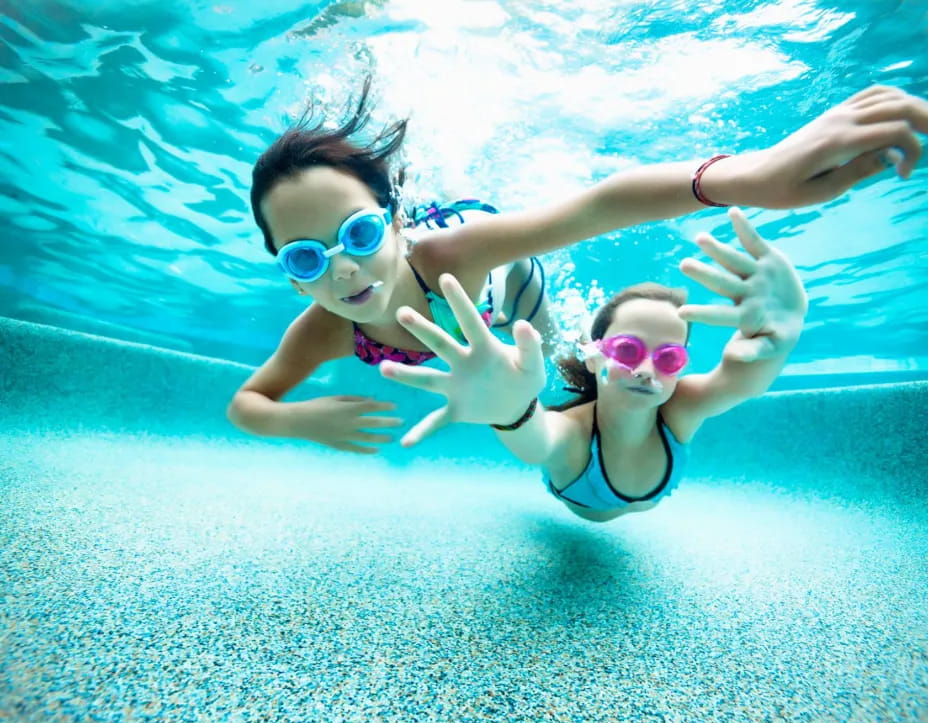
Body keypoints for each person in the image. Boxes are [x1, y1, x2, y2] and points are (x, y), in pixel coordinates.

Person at [227, 80, 928, 455]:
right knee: (519, 389)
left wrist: (750, 176)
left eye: (357, 232)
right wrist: (301, 421)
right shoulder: (320, 328)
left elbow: (595, 207)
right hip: (472, 335)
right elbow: (247, 403)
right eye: (309, 256)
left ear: (396, 220)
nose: (343, 270)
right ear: (290, 274)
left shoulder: (448, 253)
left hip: (511, 290)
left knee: (565, 370)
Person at [379, 208, 808, 521]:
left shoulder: (680, 406)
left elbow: (741, 381)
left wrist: (782, 333)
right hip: (585, 499)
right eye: (627, 351)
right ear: (595, 352)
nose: (647, 371)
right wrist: (511, 411)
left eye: (669, 358)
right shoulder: (575, 436)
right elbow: (539, 442)